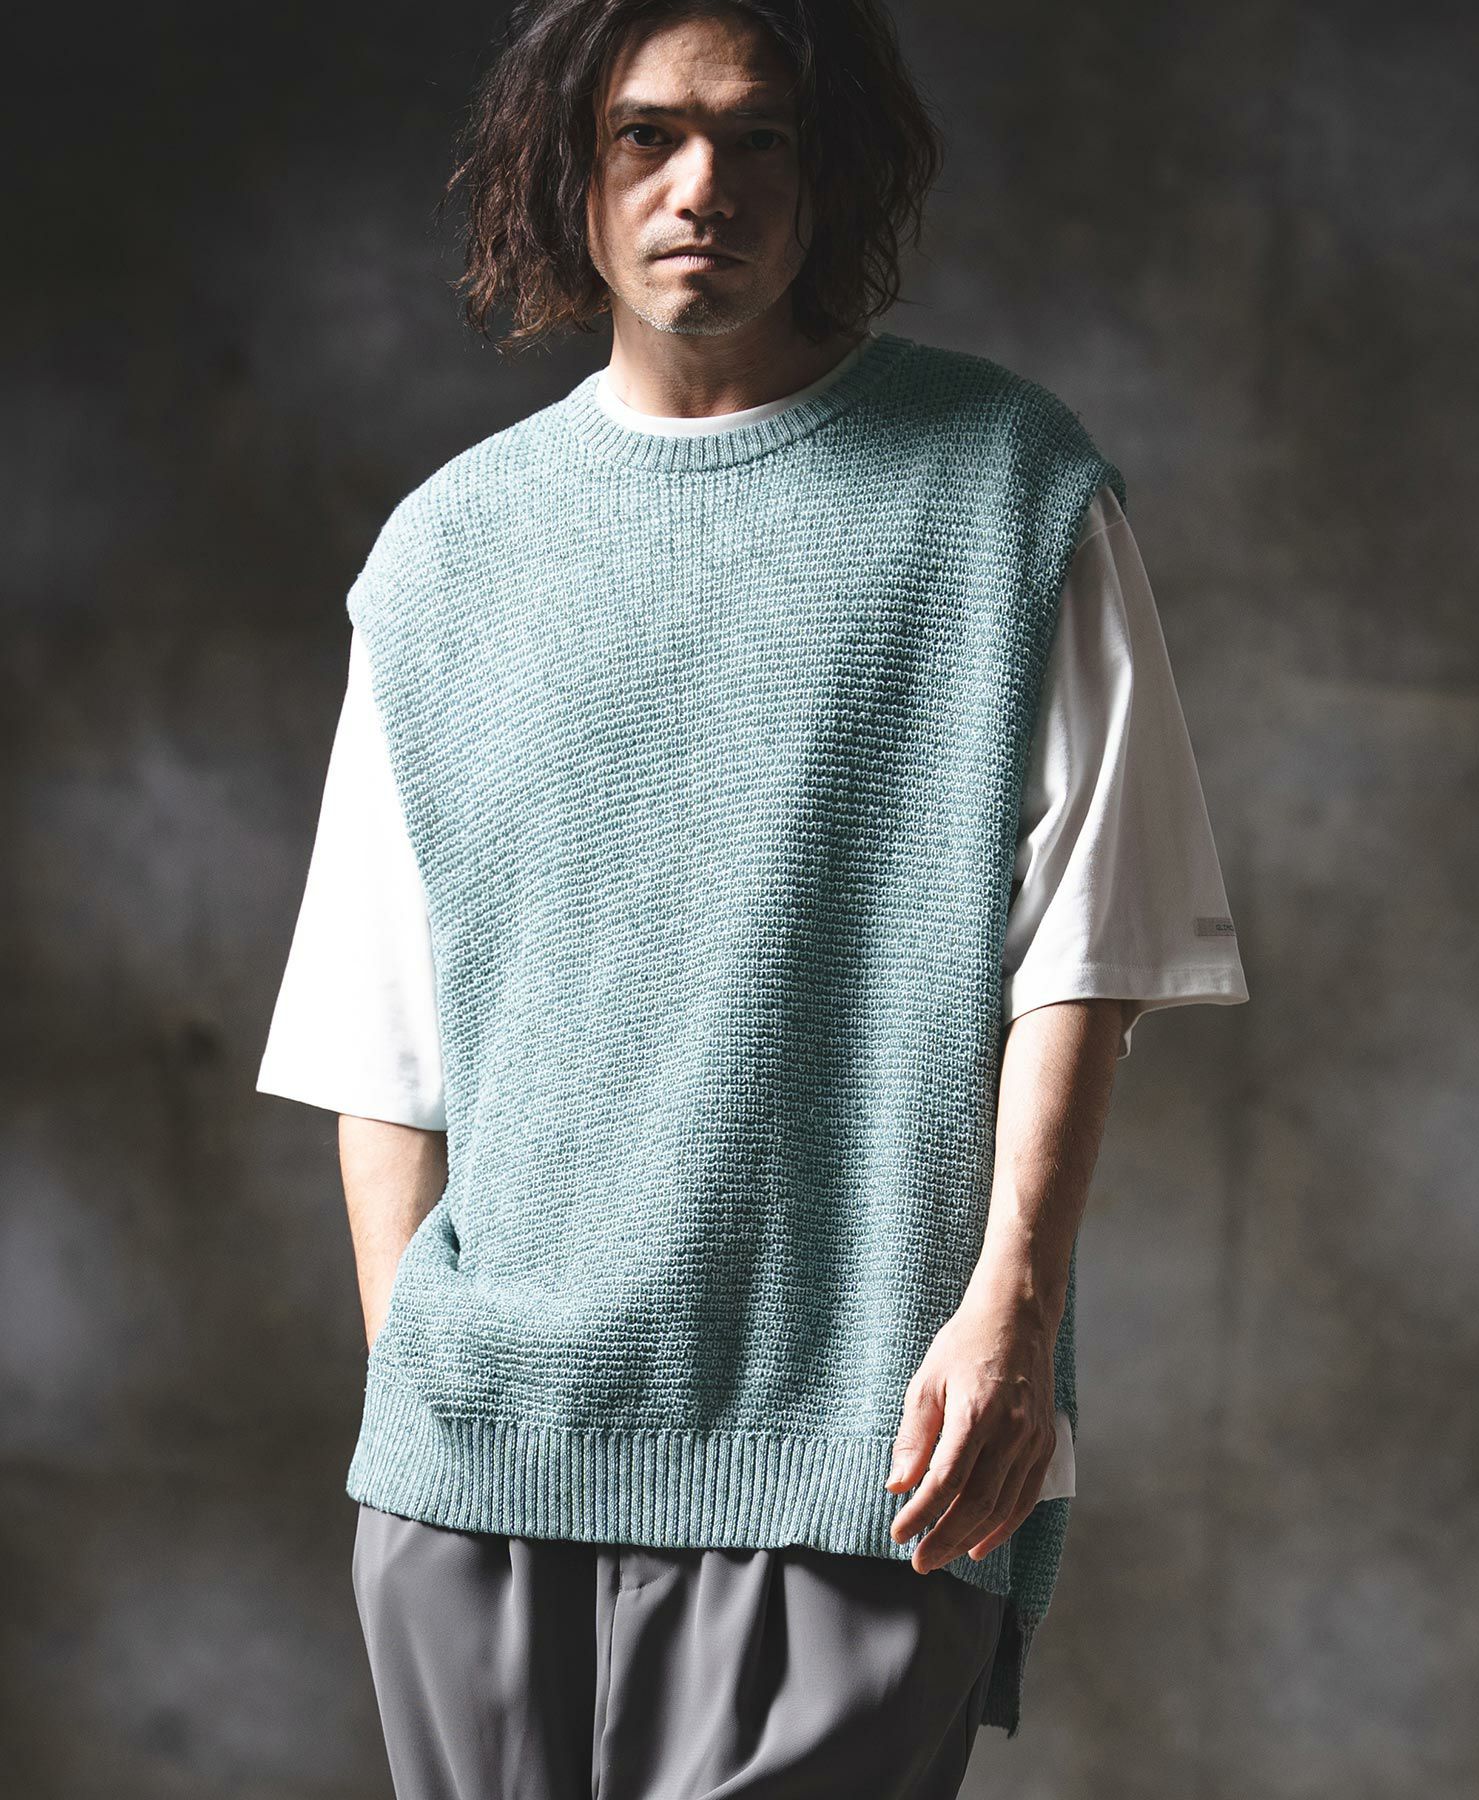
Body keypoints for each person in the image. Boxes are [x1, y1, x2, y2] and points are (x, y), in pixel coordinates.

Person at [256, 0, 1249, 1793]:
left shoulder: (1005, 489)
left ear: (826, 165)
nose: (700, 183)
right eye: (646, 132)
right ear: (567, 171)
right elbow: (378, 1036)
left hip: (859, 1446)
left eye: (757, 134)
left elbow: (1083, 949)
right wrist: (426, 1399)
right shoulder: (445, 554)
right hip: (483, 1466)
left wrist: (1015, 1313)